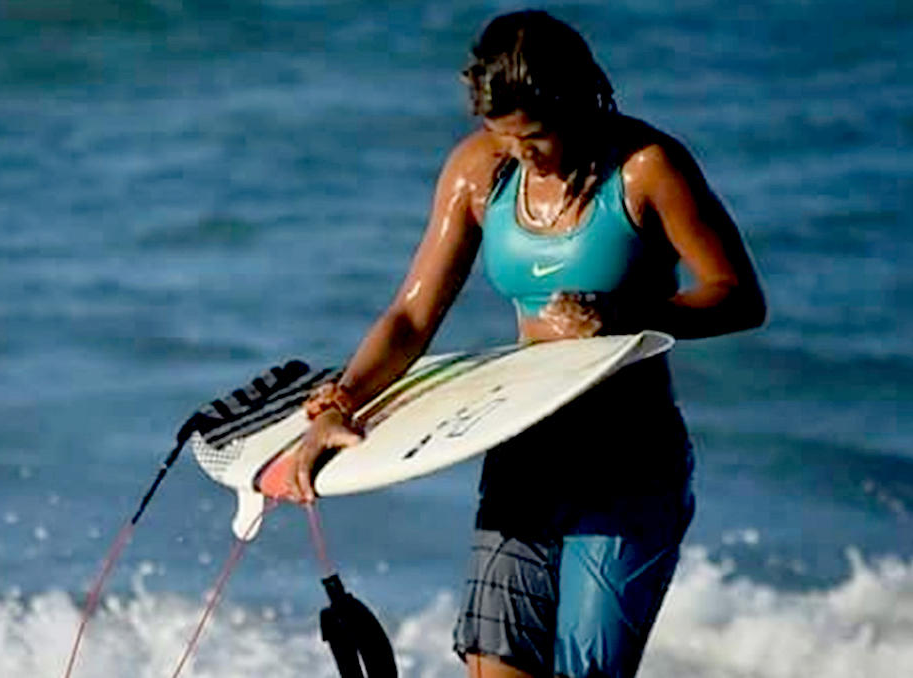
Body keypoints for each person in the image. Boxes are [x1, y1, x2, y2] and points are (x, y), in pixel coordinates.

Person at [280, 10, 766, 678]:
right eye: (500, 135)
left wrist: (621, 313)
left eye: (534, 137)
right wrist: (341, 403)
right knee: (495, 669)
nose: (519, 154)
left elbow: (738, 296)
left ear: (576, 101)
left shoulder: (648, 168)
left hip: (629, 464)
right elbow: (412, 317)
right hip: (525, 455)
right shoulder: (478, 171)